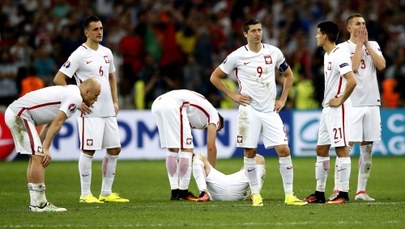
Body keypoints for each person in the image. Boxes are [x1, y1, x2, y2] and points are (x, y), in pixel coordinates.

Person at [210, 18, 307, 207]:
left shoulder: (274, 52)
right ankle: (255, 194)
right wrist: (233, 95)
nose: (258, 33)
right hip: (249, 110)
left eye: (260, 30)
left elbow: (288, 75)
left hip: (270, 109)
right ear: (245, 34)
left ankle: (289, 195)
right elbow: (215, 76)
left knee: (284, 149)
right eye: (253, 31)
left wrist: (283, 99)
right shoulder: (237, 56)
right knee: (250, 150)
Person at [53, 16, 128, 203]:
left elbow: (111, 78)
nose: (100, 32)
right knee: (89, 150)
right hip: (90, 111)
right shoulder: (79, 54)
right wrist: (77, 101)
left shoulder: (107, 53)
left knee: (115, 149)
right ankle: (85, 194)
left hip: (108, 109)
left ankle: (106, 192)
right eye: (95, 29)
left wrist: (115, 101)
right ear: (86, 32)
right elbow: (59, 79)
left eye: (101, 28)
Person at [4, 78, 101, 212]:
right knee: (38, 156)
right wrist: (45, 148)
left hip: (19, 113)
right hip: (20, 114)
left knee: (35, 157)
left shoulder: (72, 93)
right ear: (87, 91)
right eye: (96, 95)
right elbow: (57, 123)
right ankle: (40, 204)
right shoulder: (75, 98)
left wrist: (41, 142)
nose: (96, 99)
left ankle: (35, 203)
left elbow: (52, 121)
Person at [329, 14, 386, 202]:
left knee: (367, 147)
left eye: (363, 23)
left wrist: (367, 44)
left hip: (371, 101)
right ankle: (338, 188)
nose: (362, 26)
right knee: (347, 146)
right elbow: (352, 68)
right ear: (349, 28)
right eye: (357, 24)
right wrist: (360, 45)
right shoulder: (342, 48)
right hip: (352, 103)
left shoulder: (374, 45)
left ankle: (361, 191)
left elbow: (382, 65)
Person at [303, 21, 357, 204]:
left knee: (341, 148)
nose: (316, 36)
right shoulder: (328, 55)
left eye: (318, 33)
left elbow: (352, 81)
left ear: (325, 35)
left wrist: (340, 99)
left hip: (338, 109)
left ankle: (343, 194)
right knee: (321, 148)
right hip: (328, 109)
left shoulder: (339, 54)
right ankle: (319, 193)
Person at [151, 89, 224, 200]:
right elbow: (211, 147)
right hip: (173, 104)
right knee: (187, 149)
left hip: (157, 104)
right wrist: (211, 173)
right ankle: (183, 192)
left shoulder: (197, 113)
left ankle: (175, 192)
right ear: (219, 123)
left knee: (173, 149)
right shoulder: (214, 115)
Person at [192, 153, 266, 202]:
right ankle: (255, 194)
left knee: (198, 157)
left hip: (216, 190)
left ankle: (203, 192)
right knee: (259, 159)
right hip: (237, 190)